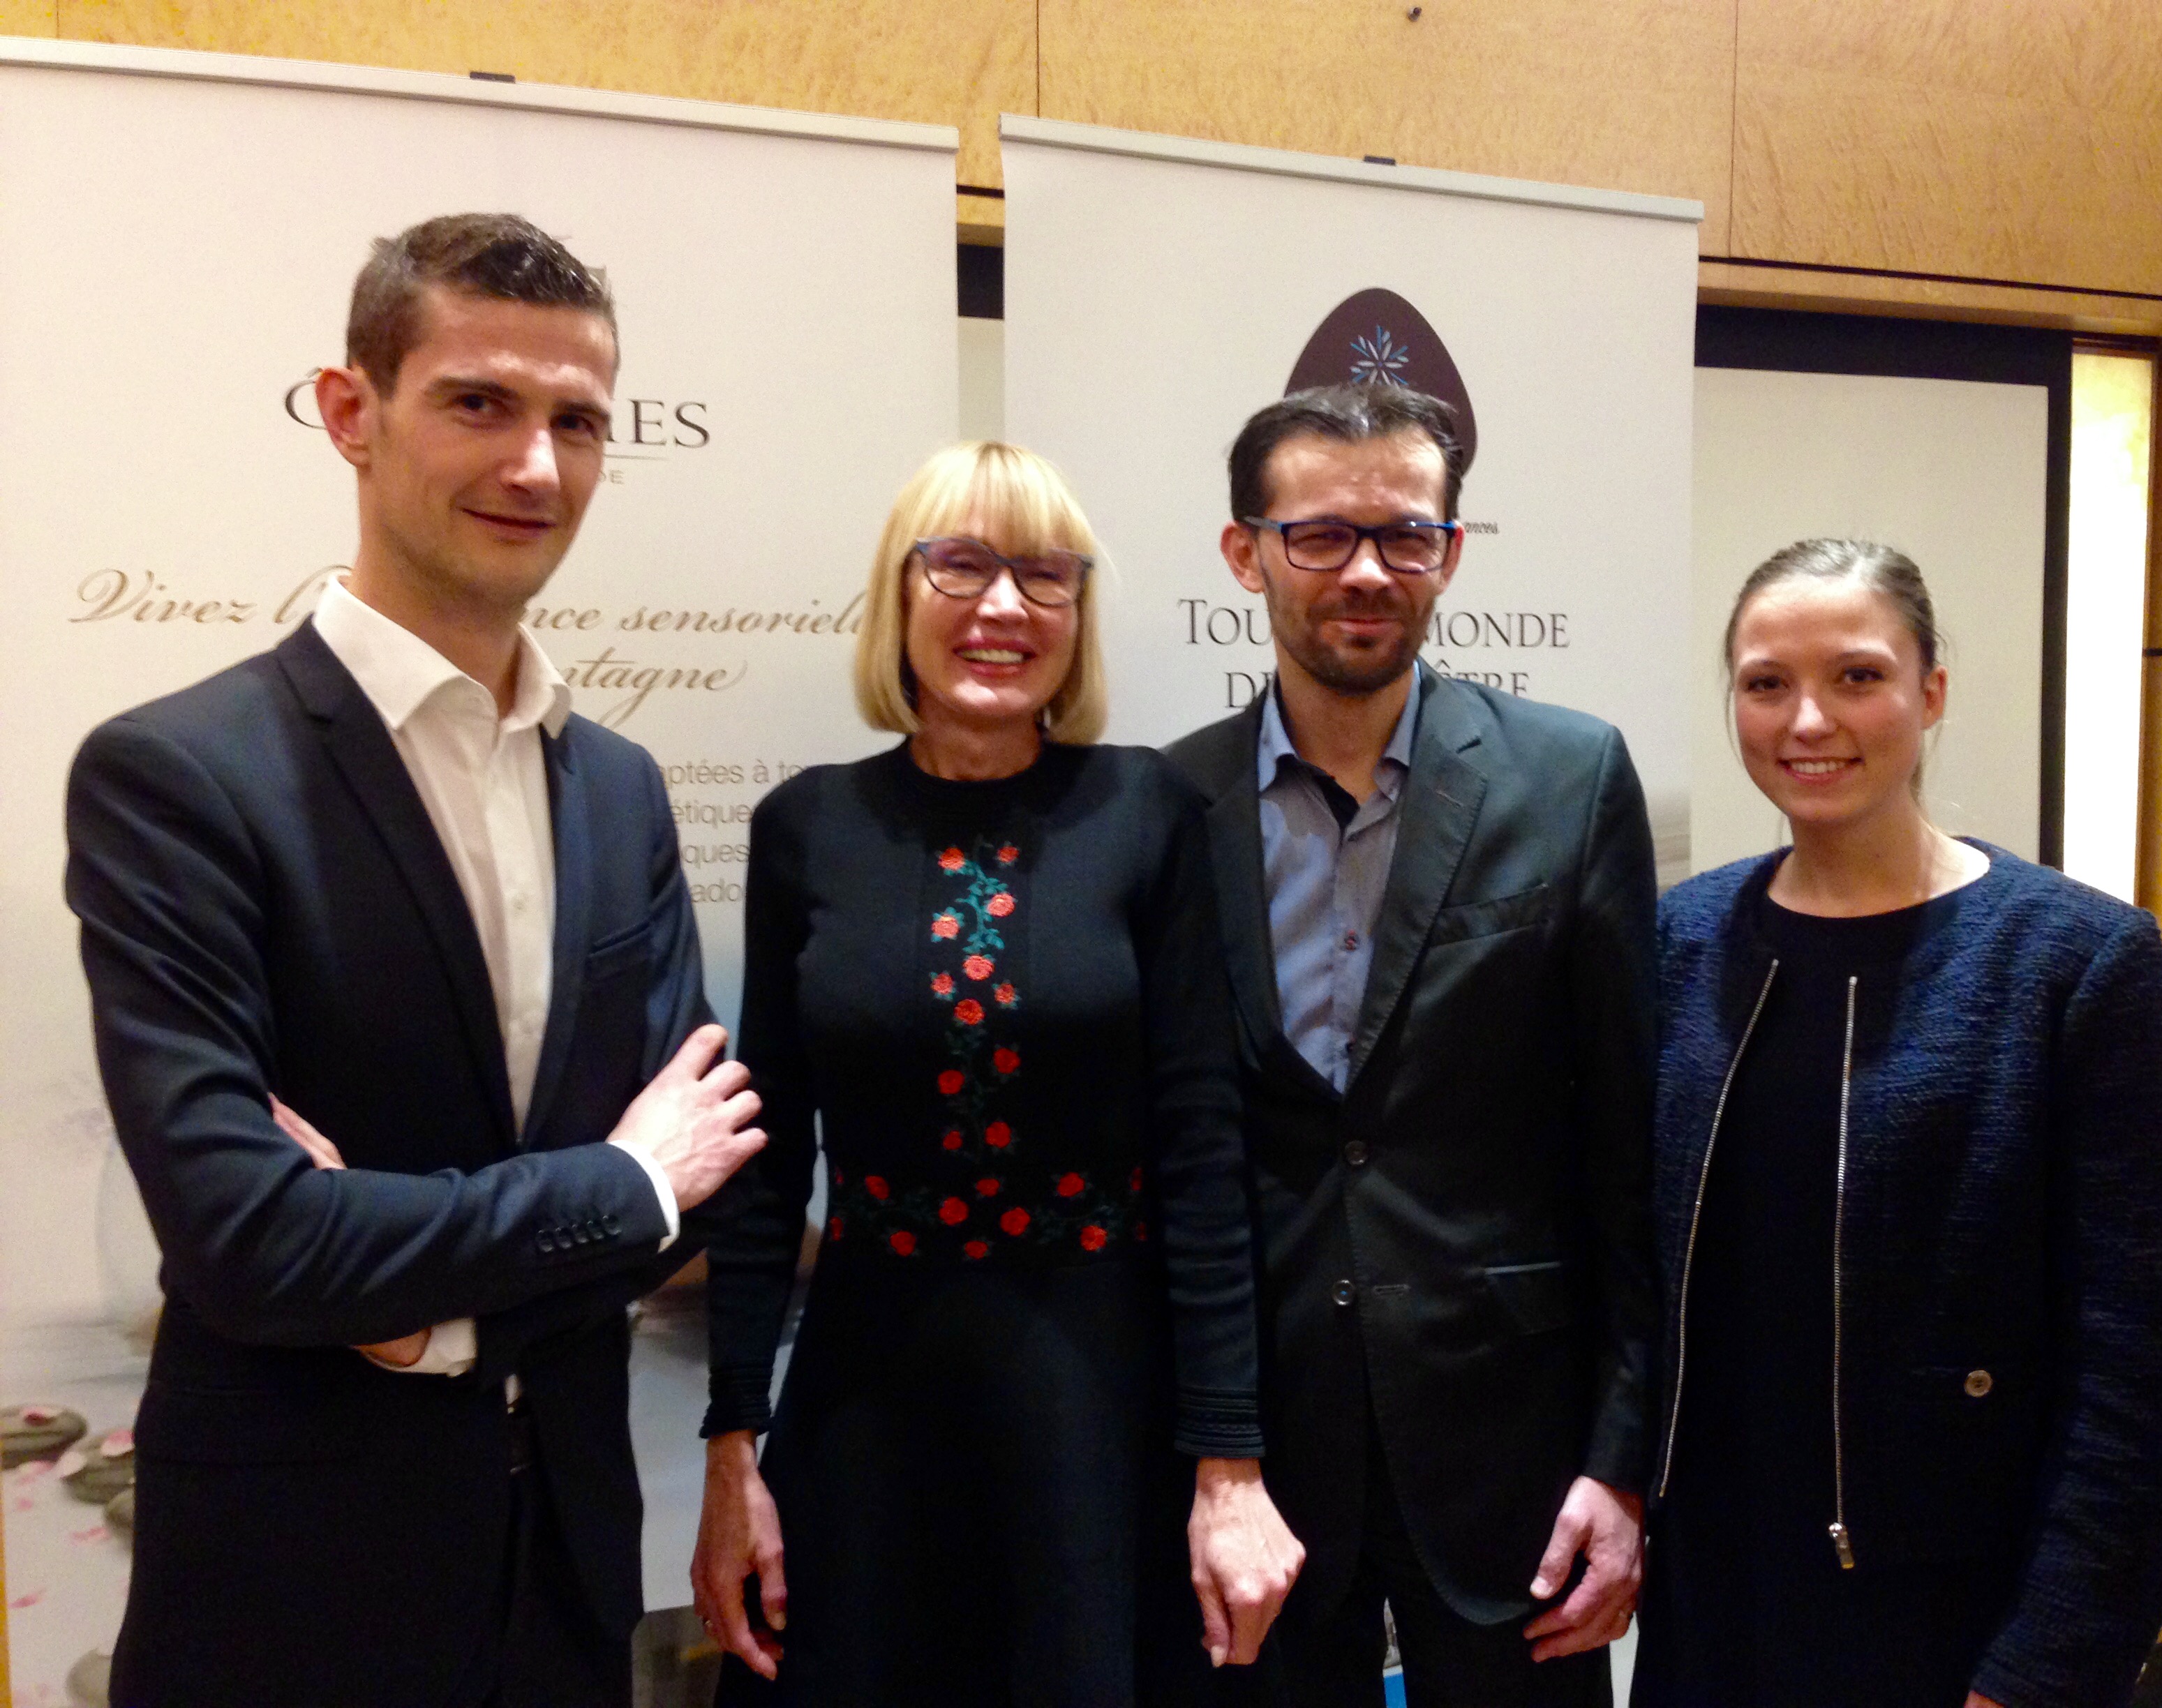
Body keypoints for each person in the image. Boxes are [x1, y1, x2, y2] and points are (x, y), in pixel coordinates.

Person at [64, 214, 767, 1708]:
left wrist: (403, 1300)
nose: (536, 467)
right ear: (350, 413)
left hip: (568, 1581)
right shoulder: (179, 778)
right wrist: (619, 1182)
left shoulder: (622, 787)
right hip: (292, 1591)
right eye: (479, 403)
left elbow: (702, 1180)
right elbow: (248, 1244)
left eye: (578, 421)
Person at [689, 440, 1304, 1706]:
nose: (1005, 606)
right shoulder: (805, 827)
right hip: (867, 1391)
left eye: (1046, 576)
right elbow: (765, 1159)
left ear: (1077, 620)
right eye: (962, 565)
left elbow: (1200, 1150)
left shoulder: (1149, 814)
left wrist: (1228, 1461)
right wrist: (733, 1443)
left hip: (1099, 1389)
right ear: (899, 596)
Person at [1636, 539, 2162, 1708]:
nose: (1807, 721)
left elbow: (2132, 1370)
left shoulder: (2071, 958)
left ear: (1930, 691)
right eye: (1764, 682)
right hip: (1716, 1588)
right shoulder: (1681, 942)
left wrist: (2049, 1662)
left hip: (1954, 1611)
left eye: (1856, 676)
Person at [1164, 384, 1658, 1708]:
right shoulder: (1169, 803)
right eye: (1320, 535)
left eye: (1408, 535)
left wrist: (1622, 1464)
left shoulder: (1571, 777)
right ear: (1245, 551)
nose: (1367, 571)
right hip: (1260, 1461)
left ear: (1453, 551)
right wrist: (1210, 1452)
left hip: (1516, 1454)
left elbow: (1628, 1154)